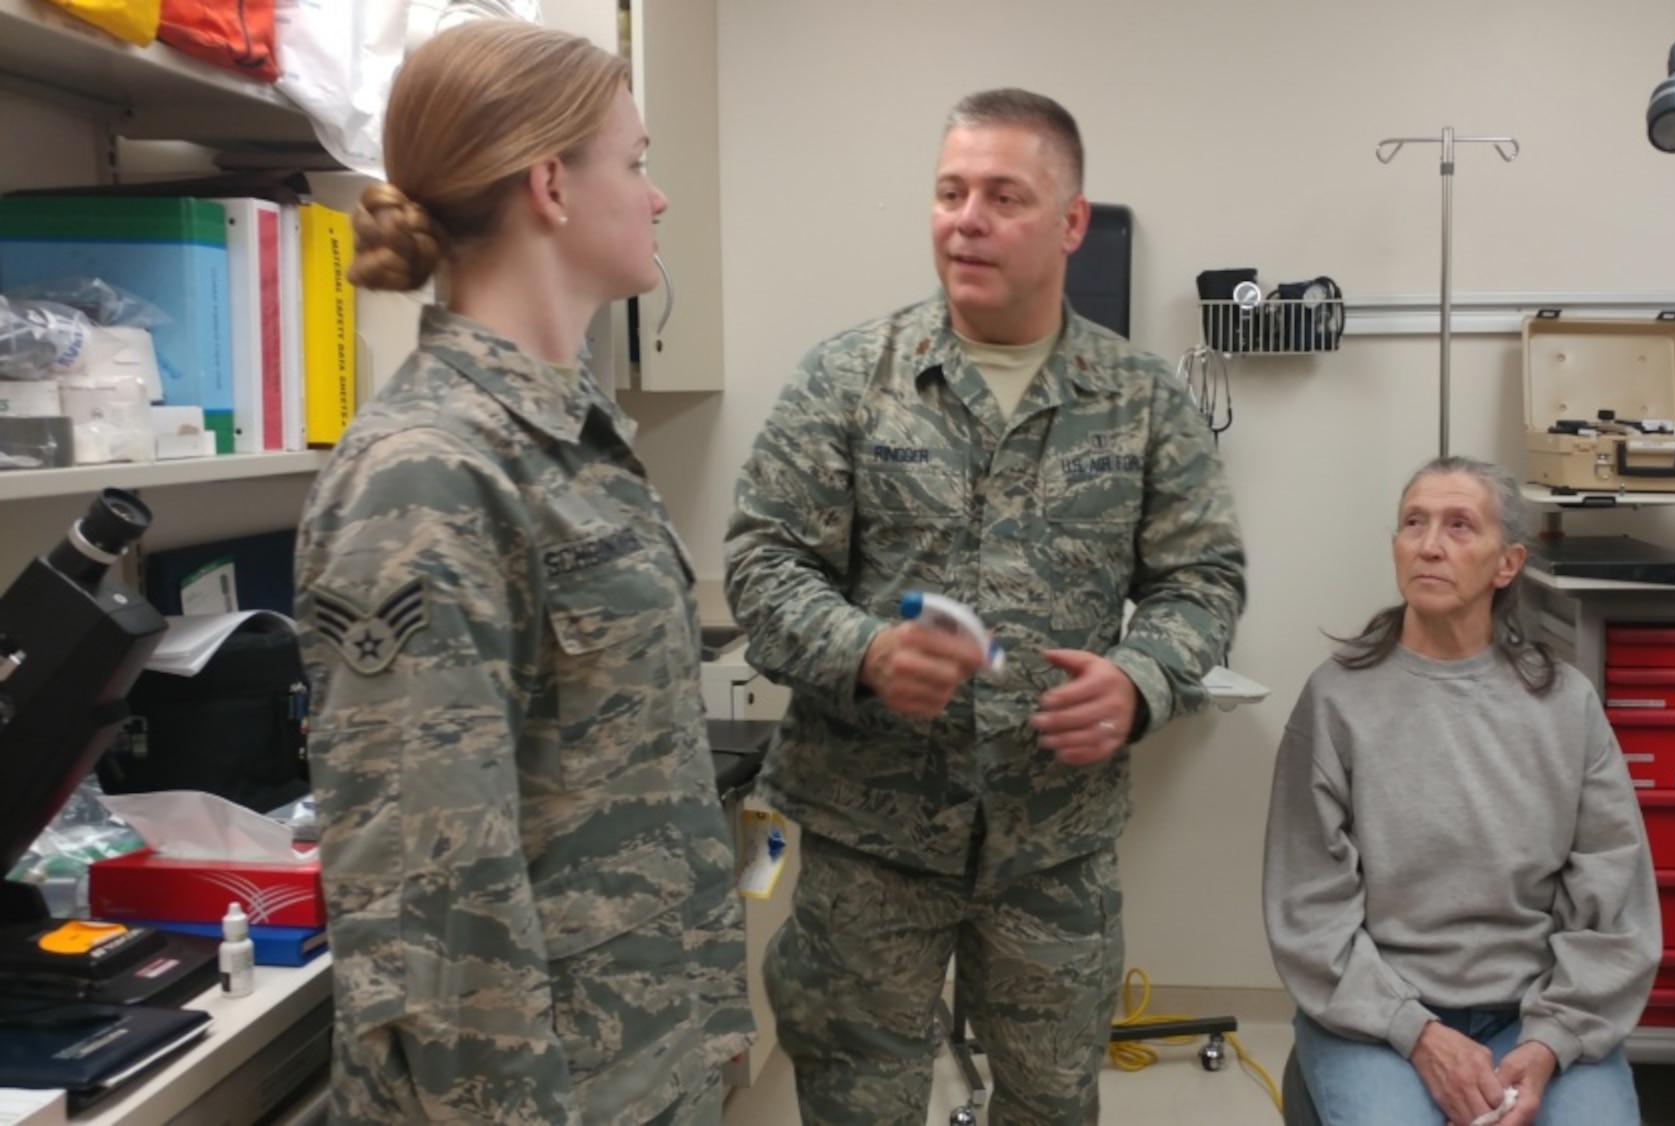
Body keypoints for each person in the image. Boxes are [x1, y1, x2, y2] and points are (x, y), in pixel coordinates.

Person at [723, 88, 1247, 1124]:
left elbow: (1203, 582)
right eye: (948, 191)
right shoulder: (847, 379)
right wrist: (863, 649)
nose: (965, 217)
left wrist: (1140, 684)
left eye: (1002, 195)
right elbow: (761, 562)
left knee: (1052, 1104)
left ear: (1068, 224)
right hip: (870, 842)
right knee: (857, 1106)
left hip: (1051, 848)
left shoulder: (1140, 399)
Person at [295, 21, 749, 1125]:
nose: (658, 197)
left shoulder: (570, 436)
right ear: (550, 183)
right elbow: (430, 907)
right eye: (635, 163)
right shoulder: (427, 474)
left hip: (642, 1059)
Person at [1263, 456, 1660, 1126]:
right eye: (1413, 523)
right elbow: (1308, 910)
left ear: (1507, 565)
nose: (1429, 545)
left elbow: (1614, 904)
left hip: (1535, 1012)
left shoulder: (1566, 705)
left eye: (1458, 526)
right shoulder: (1337, 701)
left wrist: (1547, 1043)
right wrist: (1414, 1032)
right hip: (1380, 1017)